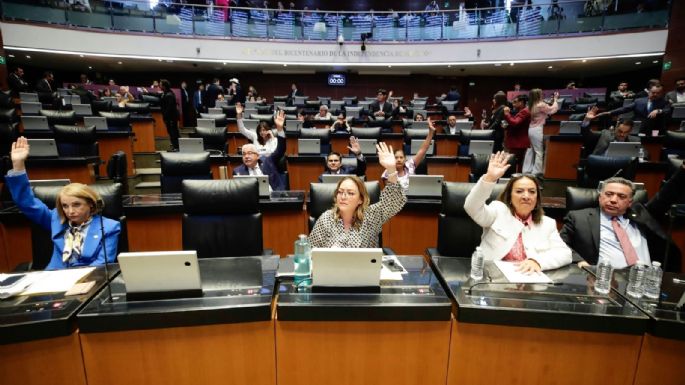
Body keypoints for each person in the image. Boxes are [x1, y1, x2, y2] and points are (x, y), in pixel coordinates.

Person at [5, 137, 121, 270]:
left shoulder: (110, 227)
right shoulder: (55, 219)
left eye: (77, 205)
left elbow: (102, 265)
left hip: (88, 281)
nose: (70, 211)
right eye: (65, 206)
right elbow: (26, 202)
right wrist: (18, 165)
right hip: (53, 279)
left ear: (91, 204)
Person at [560, 164, 685, 272]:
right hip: (604, 278)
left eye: (621, 196)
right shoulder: (579, 217)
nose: (613, 200)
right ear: (600, 197)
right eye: (609, 194)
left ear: (630, 202)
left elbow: (665, 196)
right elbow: (559, 244)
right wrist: (579, 261)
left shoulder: (643, 215)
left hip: (644, 277)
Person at [464, 151, 572, 273]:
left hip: (529, 282)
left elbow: (565, 254)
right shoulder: (498, 211)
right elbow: (471, 207)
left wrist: (537, 262)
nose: (526, 196)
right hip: (492, 279)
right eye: (519, 191)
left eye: (532, 192)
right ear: (509, 197)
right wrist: (490, 178)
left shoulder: (547, 224)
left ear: (537, 198)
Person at [309, 143, 407, 248]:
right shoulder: (326, 218)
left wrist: (391, 170)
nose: (343, 196)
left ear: (360, 199)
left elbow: (393, 201)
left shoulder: (371, 216)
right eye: (340, 192)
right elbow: (311, 250)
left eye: (350, 193)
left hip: (365, 264)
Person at [233, 110, 287, 191]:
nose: (262, 132)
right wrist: (239, 115)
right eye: (244, 154)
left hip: (269, 162)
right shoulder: (255, 137)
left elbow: (279, 150)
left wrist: (278, 130)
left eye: (264, 130)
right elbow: (242, 129)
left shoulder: (273, 141)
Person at [381, 117, 436, 190]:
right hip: (397, 199)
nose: (399, 160)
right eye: (396, 157)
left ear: (405, 159)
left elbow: (423, 150)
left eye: (401, 157)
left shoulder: (410, 165)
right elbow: (390, 192)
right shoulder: (388, 172)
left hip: (413, 197)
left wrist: (431, 132)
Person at [600, 84, 671, 135]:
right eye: (653, 92)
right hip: (639, 127)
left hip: (656, 129)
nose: (655, 94)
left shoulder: (664, 102)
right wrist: (609, 112)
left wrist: (659, 110)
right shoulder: (639, 101)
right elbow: (625, 108)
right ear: (649, 92)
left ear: (661, 93)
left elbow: (668, 110)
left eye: (658, 93)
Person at [525, 89, 559, 175]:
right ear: (538, 95)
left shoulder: (530, 105)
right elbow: (553, 110)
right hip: (537, 129)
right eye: (541, 94)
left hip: (531, 129)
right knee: (539, 152)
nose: (542, 95)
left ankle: (526, 170)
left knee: (530, 150)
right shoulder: (541, 105)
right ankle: (537, 172)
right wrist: (555, 100)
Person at [502, 94, 531, 173]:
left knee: (515, 164)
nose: (513, 104)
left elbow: (515, 123)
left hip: (518, 142)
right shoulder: (521, 111)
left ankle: (516, 180)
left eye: (515, 102)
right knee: (515, 163)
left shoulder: (525, 111)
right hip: (517, 141)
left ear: (521, 102)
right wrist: (507, 126)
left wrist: (507, 113)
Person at [160, 79, 180, 151]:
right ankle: (175, 147)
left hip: (171, 118)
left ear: (164, 86)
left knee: (173, 133)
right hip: (169, 117)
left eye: (161, 84)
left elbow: (170, 108)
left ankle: (176, 147)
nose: (160, 86)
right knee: (171, 132)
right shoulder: (166, 93)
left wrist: (165, 116)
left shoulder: (169, 95)